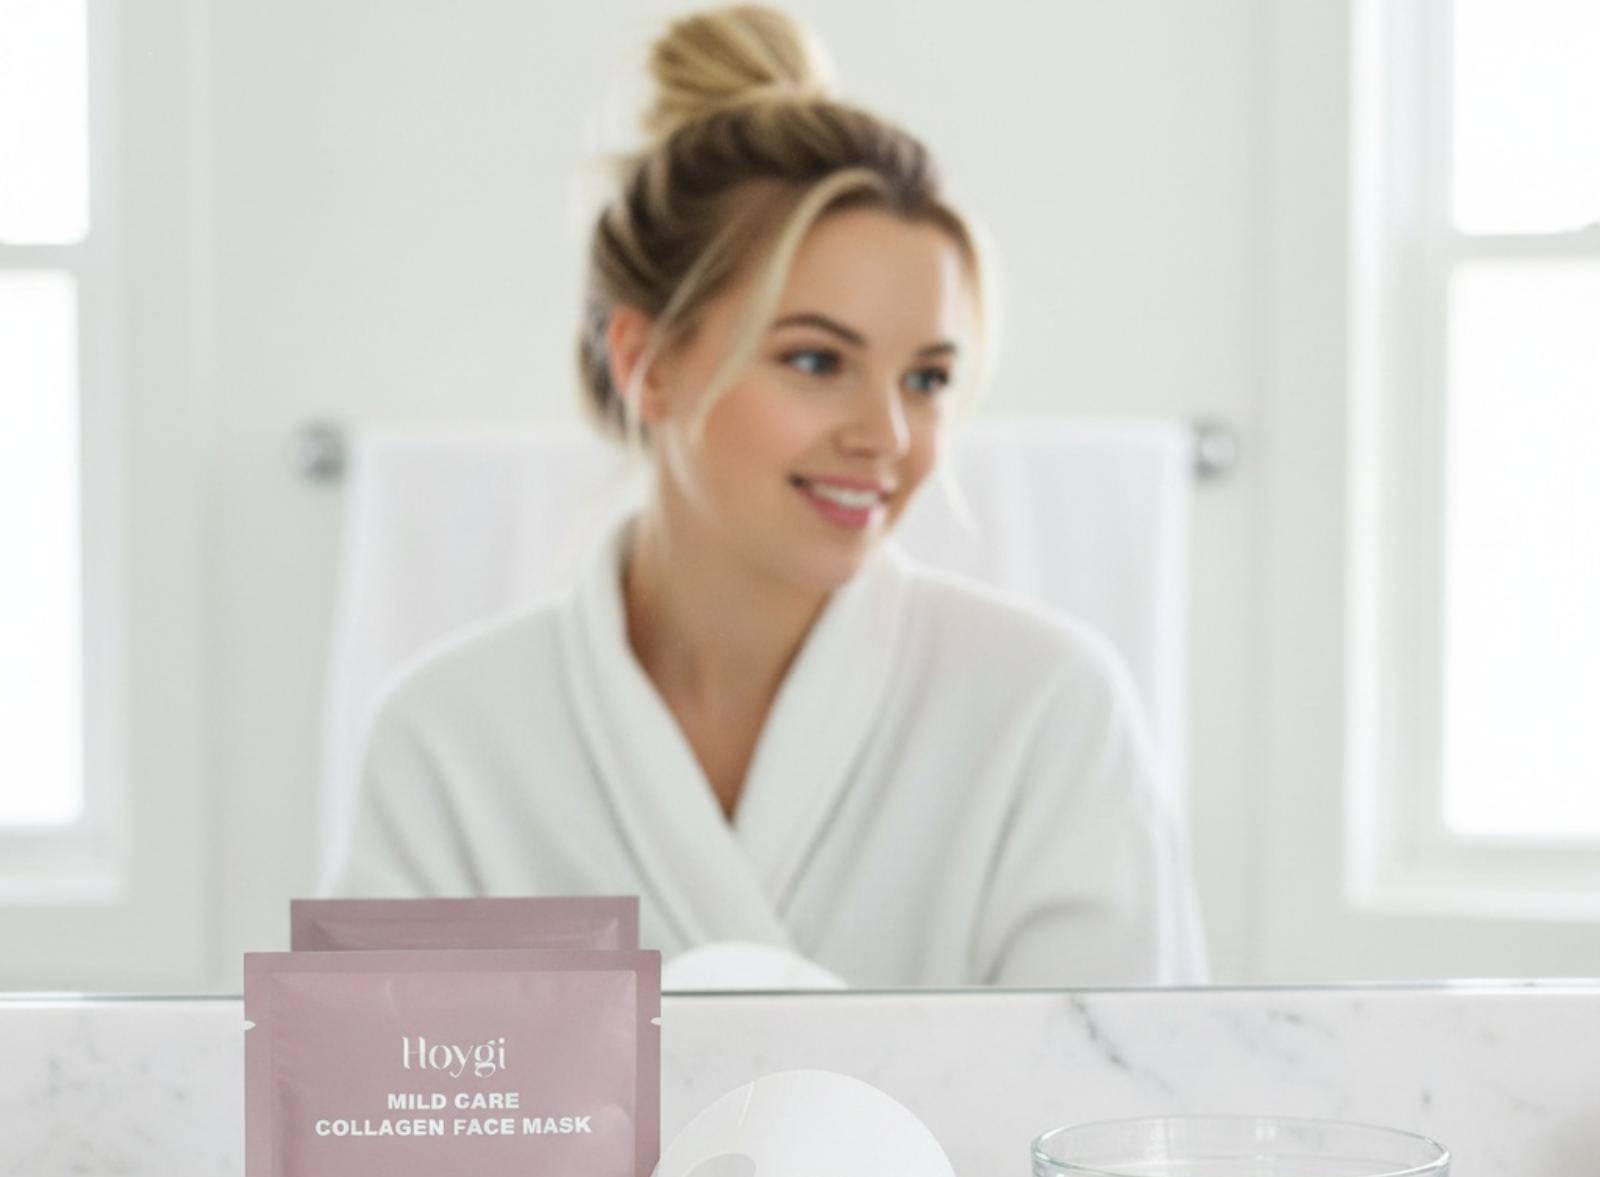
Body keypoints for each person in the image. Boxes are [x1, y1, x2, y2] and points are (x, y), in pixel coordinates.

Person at [329, 4, 1209, 988]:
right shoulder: (446, 741)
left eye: (926, 378)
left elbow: (1122, 1085)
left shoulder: (1048, 715)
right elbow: (385, 1093)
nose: (886, 435)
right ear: (646, 362)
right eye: (816, 360)